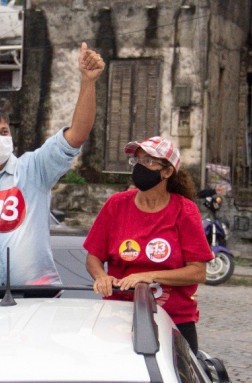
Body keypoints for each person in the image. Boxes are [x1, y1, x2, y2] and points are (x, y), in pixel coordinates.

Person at [0, 42, 105, 300]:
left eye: (4, 132)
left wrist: (88, 82)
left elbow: (77, 135)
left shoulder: (33, 169)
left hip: (37, 298)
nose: (0, 139)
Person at [83, 136, 213, 353]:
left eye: (149, 162)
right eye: (137, 161)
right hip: (117, 317)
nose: (141, 167)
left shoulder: (184, 211)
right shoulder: (116, 205)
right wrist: (101, 277)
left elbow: (198, 272)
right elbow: (93, 256)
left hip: (174, 321)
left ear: (167, 171)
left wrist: (149, 276)